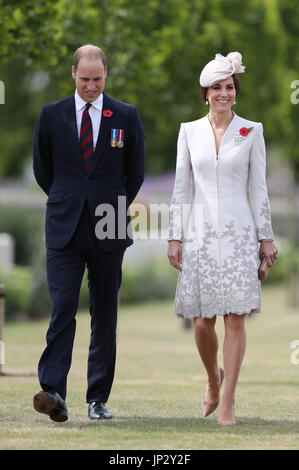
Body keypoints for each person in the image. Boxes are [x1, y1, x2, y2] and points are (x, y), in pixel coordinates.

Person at [32, 44, 145, 422]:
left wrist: (109, 204)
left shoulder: (126, 116)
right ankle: (52, 392)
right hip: (63, 225)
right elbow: (42, 170)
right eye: (85, 79)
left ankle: (97, 397)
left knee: (105, 313)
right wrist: (70, 199)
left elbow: (135, 171)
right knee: (62, 307)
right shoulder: (51, 116)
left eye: (97, 80)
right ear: (74, 75)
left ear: (105, 75)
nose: (91, 86)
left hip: (109, 223)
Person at [167, 52, 278, 426]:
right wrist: (174, 237)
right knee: (202, 323)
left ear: (235, 90)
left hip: (239, 233)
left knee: (235, 317)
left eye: (229, 87)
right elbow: (182, 189)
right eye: (217, 87)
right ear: (205, 93)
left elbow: (259, 190)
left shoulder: (252, 131)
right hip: (198, 234)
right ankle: (214, 379)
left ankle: (228, 403)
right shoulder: (189, 131)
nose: (224, 93)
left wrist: (266, 238)